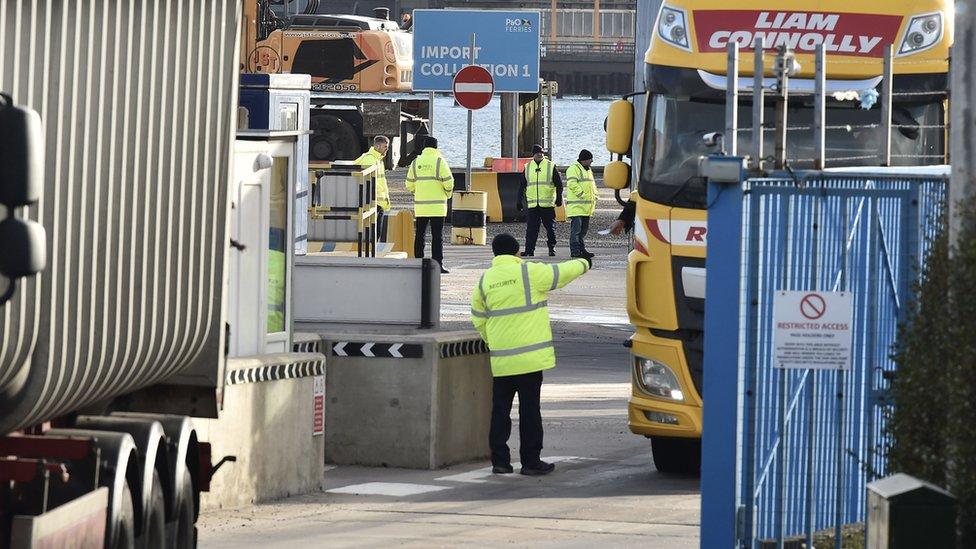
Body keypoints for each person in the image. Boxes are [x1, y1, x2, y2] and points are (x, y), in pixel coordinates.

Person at [471, 233, 591, 476]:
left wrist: (493, 341)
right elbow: (562, 273)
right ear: (517, 252)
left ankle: (501, 462)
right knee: (529, 411)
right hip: (530, 360)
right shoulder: (529, 273)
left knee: (500, 411)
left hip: (502, 360)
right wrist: (584, 263)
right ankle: (530, 461)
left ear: (494, 254)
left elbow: (478, 319)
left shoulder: (485, 281)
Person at [406, 136, 454, 273]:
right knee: (437, 237)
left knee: (420, 235)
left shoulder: (416, 162)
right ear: (436, 147)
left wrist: (418, 192)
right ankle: (437, 264)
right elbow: (449, 182)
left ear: (424, 147)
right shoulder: (440, 162)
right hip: (438, 207)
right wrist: (447, 194)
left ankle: (418, 263)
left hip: (421, 206)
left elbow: (409, 184)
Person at [518, 144, 562, 257]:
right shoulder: (528, 167)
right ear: (533, 154)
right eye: (537, 152)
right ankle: (529, 250)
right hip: (533, 204)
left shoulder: (550, 166)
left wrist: (559, 198)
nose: (539, 154)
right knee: (531, 229)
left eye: (541, 152)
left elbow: (559, 184)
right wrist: (519, 200)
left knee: (550, 228)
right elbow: (522, 185)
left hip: (547, 204)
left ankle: (552, 248)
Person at [354, 135, 391, 242]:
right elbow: (368, 182)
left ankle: (371, 254)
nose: (387, 149)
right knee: (373, 234)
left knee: (375, 233)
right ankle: (370, 255)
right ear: (377, 146)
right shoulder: (370, 159)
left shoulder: (377, 159)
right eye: (385, 147)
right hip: (373, 202)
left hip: (377, 203)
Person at [565, 149, 598, 259]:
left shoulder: (588, 169)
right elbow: (572, 184)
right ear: (584, 160)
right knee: (576, 231)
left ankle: (582, 250)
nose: (592, 161)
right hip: (577, 206)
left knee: (582, 231)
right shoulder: (573, 169)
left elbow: (591, 185)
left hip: (586, 207)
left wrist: (595, 195)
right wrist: (582, 194)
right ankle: (575, 251)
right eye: (590, 159)